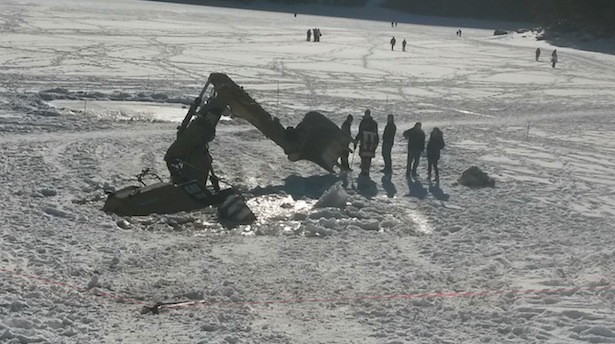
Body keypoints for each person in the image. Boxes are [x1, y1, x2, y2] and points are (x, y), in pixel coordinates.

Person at [355, 109, 379, 177]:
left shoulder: (373, 123)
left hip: (370, 143)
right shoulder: (363, 122)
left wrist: (376, 142)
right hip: (364, 142)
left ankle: (366, 169)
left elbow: (376, 133)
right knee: (363, 156)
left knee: (368, 156)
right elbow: (360, 132)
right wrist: (356, 140)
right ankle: (363, 168)